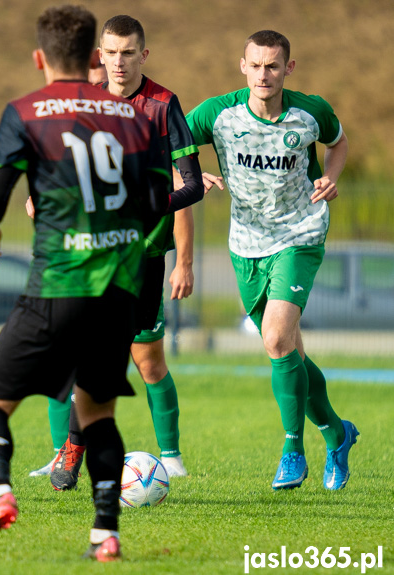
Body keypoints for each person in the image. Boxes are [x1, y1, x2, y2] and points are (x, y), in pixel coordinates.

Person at [0, 5, 170, 561]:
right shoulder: (134, 116)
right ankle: (105, 533)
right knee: (99, 414)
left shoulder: (26, 111)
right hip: (116, 291)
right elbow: (153, 200)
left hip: (55, 287)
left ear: (40, 58)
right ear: (96, 57)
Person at [185, 30, 357, 490]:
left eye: (273, 65)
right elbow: (168, 139)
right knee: (290, 353)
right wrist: (189, 171)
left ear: (289, 68)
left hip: (301, 233)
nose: (264, 74)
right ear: (243, 66)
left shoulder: (310, 111)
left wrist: (331, 179)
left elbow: (338, 143)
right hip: (245, 244)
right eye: (256, 65)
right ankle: (338, 435)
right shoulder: (217, 113)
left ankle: (292, 451)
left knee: (277, 338)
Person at [43, 14, 205, 490]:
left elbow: (192, 185)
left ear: (143, 55)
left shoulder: (163, 105)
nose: (117, 62)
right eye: (110, 52)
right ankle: (74, 448)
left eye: (128, 53)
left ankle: (91, 445)